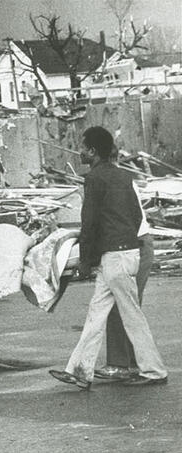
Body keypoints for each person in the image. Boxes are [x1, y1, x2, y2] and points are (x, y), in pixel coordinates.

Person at [49, 126, 167, 389]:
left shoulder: (94, 179)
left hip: (115, 257)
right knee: (96, 313)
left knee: (130, 315)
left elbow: (89, 223)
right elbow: (137, 216)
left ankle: (155, 370)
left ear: (92, 151)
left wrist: (85, 261)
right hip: (123, 252)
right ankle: (79, 370)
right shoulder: (123, 177)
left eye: (82, 147)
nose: (79, 151)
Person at [95, 159, 154, 381]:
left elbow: (128, 220)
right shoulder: (114, 181)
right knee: (126, 306)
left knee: (123, 306)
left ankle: (124, 364)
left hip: (132, 246)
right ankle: (132, 363)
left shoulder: (116, 184)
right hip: (132, 245)